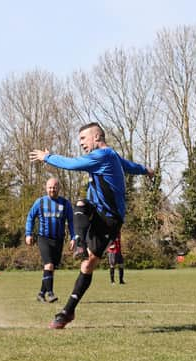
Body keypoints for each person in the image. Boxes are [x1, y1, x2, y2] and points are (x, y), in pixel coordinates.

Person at [30, 122, 153, 329]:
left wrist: (47, 157)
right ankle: (79, 242)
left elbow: (73, 164)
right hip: (95, 210)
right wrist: (145, 169)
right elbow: (128, 166)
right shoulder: (110, 156)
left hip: (110, 219)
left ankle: (68, 311)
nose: (81, 144)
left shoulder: (104, 156)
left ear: (97, 137)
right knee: (81, 203)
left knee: (88, 265)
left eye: (83, 139)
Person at [25, 177, 75, 303]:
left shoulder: (65, 203)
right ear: (46, 188)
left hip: (58, 240)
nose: (52, 190)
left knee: (51, 268)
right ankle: (50, 293)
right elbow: (30, 217)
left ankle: (41, 294)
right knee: (49, 265)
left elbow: (71, 222)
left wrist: (74, 237)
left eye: (54, 187)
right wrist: (28, 234)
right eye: (50, 187)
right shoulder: (40, 202)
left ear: (59, 188)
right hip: (44, 238)